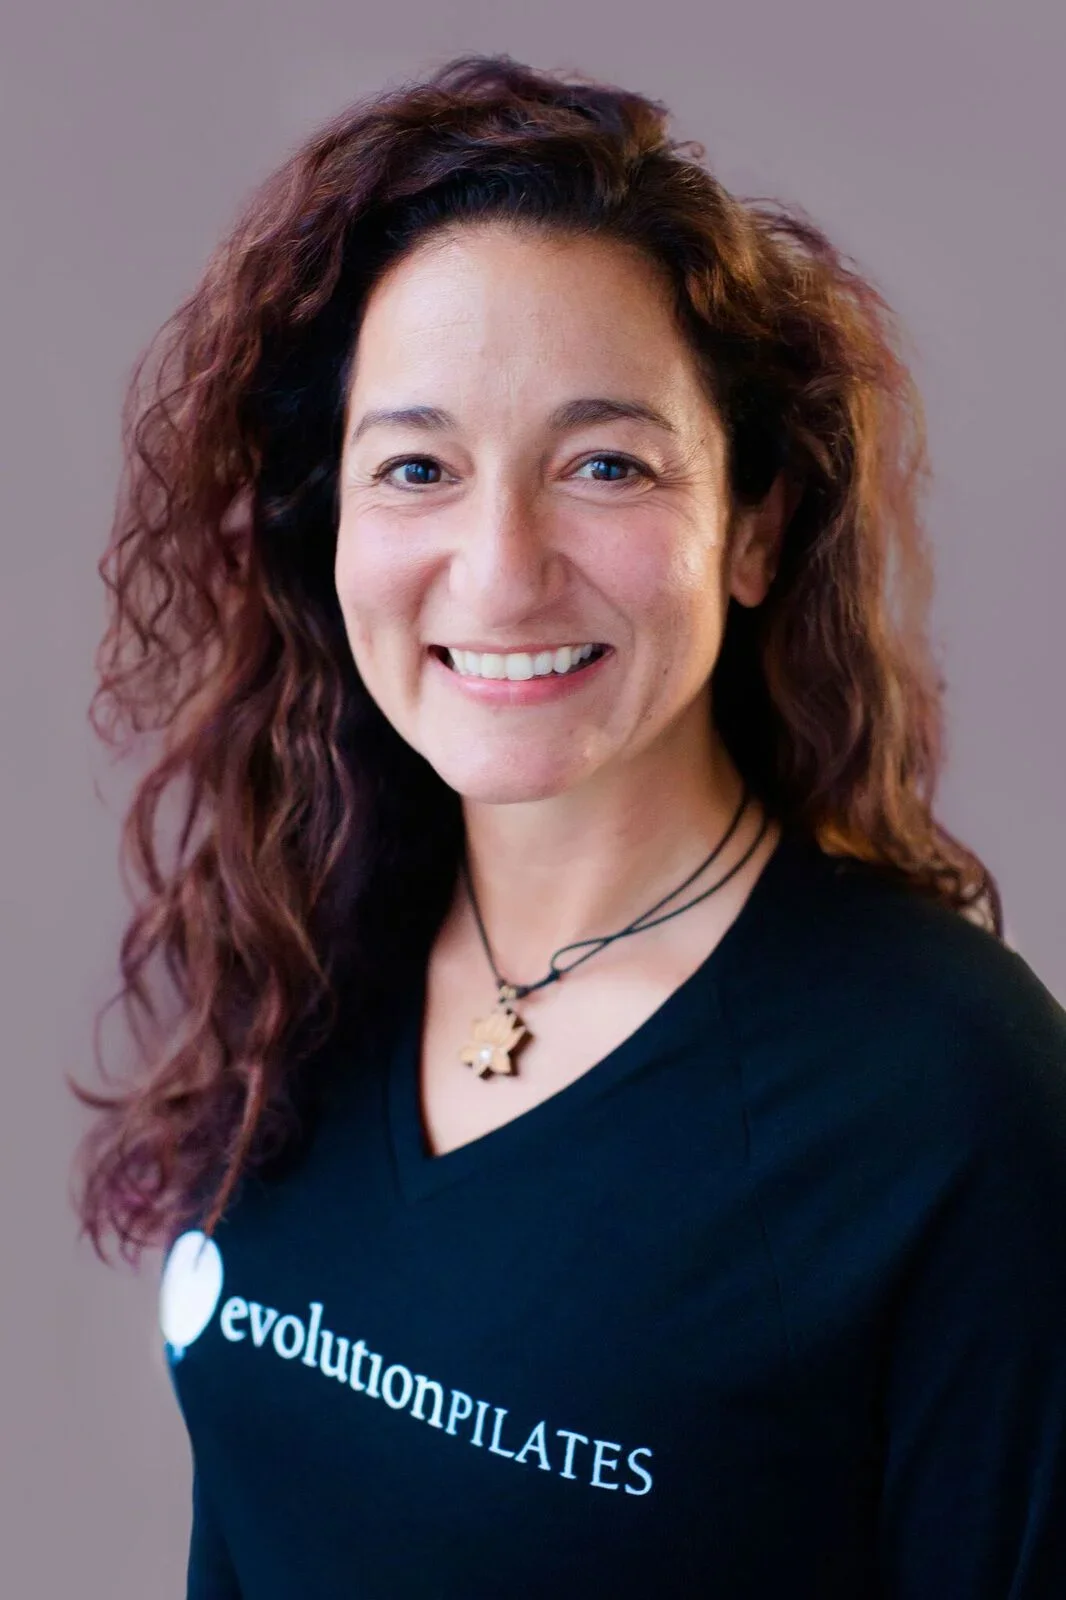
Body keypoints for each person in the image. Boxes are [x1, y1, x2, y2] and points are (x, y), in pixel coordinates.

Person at [70, 51, 1066, 1600]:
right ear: (331, 525)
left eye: (604, 465)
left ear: (752, 529)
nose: (500, 569)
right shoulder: (310, 945)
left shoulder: (946, 1094)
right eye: (416, 468)